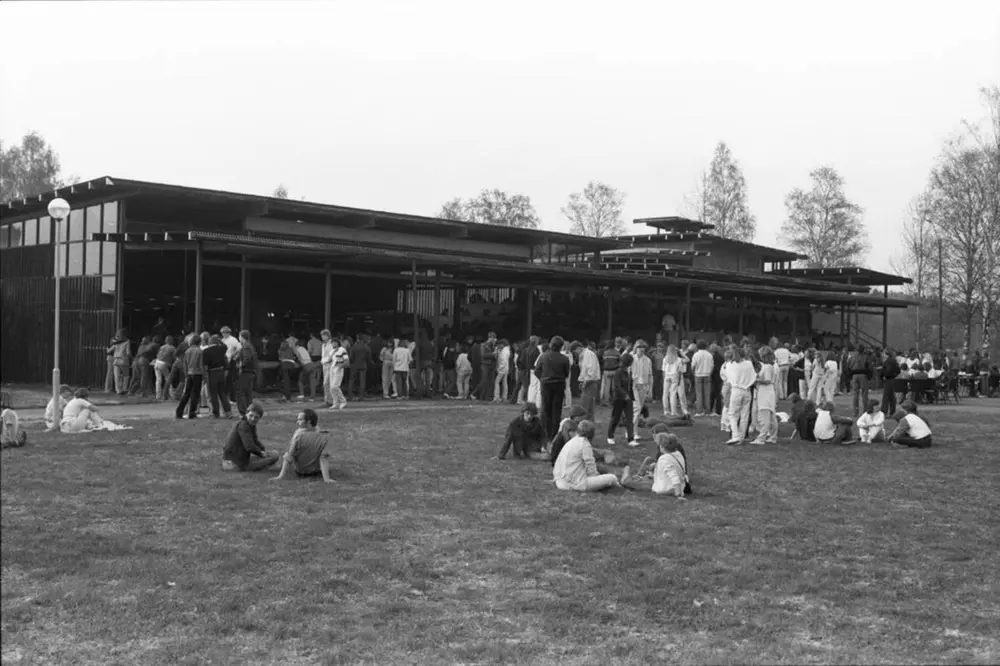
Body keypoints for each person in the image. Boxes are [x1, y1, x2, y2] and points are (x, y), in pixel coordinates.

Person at [552, 420, 625, 492]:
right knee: (612, 478)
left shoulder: (572, 441)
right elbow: (591, 469)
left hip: (560, 482)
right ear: (591, 434)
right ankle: (620, 486)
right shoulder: (584, 443)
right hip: (574, 484)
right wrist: (599, 479)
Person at [270, 409, 335, 482]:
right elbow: (323, 458)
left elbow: (289, 456)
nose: (297, 422)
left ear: (309, 421)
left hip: (300, 472)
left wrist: (280, 476)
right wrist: (327, 479)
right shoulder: (325, 436)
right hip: (316, 472)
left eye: (300, 420)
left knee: (289, 452)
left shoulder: (299, 435)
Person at [621, 433, 691, 498]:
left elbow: (674, 476)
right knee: (649, 461)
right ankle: (640, 477)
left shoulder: (664, 459)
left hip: (664, 487)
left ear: (662, 446)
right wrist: (656, 466)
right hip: (672, 483)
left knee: (628, 482)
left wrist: (678, 493)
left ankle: (627, 475)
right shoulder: (678, 454)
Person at [222, 403, 281, 472]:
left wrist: (263, 450)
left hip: (234, 461)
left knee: (272, 453)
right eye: (251, 415)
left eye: (256, 417)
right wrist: (261, 453)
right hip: (234, 465)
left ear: (259, 418)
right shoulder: (244, 426)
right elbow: (249, 446)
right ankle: (265, 467)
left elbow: (255, 440)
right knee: (275, 455)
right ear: (246, 413)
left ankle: (265, 466)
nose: (253, 419)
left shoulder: (249, 424)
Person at [535, 336, 571, 439]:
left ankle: (545, 433)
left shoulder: (543, 356)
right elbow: (566, 373)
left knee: (545, 409)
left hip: (546, 384)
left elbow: (537, 370)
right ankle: (554, 434)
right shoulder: (564, 359)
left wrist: (542, 378)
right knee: (556, 410)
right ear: (561, 347)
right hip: (559, 385)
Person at [725, 348, 757, 445]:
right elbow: (753, 376)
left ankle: (735, 435)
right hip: (747, 390)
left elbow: (728, 378)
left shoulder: (730, 365)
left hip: (736, 390)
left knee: (732, 414)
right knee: (745, 415)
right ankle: (742, 437)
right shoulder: (749, 364)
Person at [750, 346, 778, 445]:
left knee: (765, 416)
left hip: (765, 392)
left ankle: (761, 438)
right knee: (771, 416)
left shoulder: (767, 367)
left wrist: (756, 380)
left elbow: (768, 380)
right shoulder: (770, 366)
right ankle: (773, 437)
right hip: (769, 392)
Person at [607, 353, 637, 446]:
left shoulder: (628, 372)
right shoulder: (618, 372)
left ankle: (630, 439)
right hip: (618, 398)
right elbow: (617, 386)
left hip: (628, 399)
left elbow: (630, 385)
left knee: (629, 419)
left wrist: (631, 397)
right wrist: (625, 395)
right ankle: (610, 436)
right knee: (615, 418)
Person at [176, 336, 206, 419]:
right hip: (197, 373)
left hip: (189, 373)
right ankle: (192, 412)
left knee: (187, 393)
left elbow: (185, 364)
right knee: (195, 394)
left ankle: (179, 411)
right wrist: (204, 375)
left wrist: (186, 374)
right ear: (199, 342)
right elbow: (201, 364)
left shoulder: (187, 351)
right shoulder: (200, 351)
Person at [203, 335, 233, 419]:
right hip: (221, 372)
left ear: (209, 342)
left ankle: (216, 413)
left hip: (212, 372)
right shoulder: (222, 349)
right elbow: (225, 346)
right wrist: (220, 340)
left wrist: (205, 376)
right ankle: (228, 412)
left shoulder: (206, 351)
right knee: (222, 393)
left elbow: (205, 365)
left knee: (213, 394)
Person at [630, 341, 653, 435]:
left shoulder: (648, 360)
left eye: (643, 347)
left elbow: (650, 375)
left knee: (638, 411)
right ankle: (631, 431)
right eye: (639, 347)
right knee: (637, 408)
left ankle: (634, 431)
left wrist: (650, 389)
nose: (641, 349)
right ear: (636, 348)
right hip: (633, 386)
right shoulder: (632, 358)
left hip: (643, 386)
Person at [575, 341, 601, 421]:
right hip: (588, 382)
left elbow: (591, 370)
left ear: (578, 348)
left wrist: (585, 382)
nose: (574, 353)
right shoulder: (584, 354)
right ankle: (589, 424)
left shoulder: (588, 354)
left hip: (590, 383)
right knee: (589, 407)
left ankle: (583, 424)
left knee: (584, 406)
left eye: (574, 351)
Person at [236, 329, 258, 416]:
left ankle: (243, 411)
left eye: (239, 337)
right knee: (248, 393)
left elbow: (247, 358)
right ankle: (249, 411)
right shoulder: (250, 345)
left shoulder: (245, 346)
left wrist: (241, 365)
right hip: (251, 371)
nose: (239, 338)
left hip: (246, 372)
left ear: (242, 337)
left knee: (240, 392)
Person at [691, 340, 714, 416]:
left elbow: (693, 366)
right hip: (707, 374)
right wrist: (709, 373)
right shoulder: (709, 355)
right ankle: (707, 411)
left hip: (698, 374)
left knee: (699, 394)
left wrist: (693, 373)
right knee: (707, 394)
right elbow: (712, 366)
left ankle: (699, 411)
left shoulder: (696, 355)